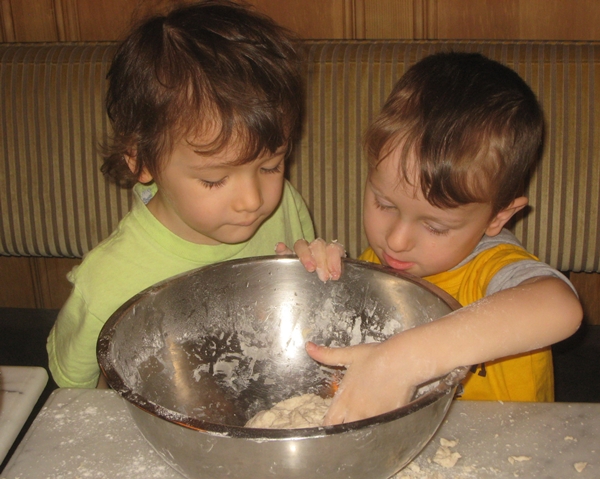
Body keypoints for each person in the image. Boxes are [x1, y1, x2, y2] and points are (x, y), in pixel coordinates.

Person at [47, 0, 324, 389]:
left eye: (270, 166)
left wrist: (323, 269)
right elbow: (73, 392)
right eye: (214, 180)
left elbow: (307, 315)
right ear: (141, 160)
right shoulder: (109, 280)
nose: (253, 200)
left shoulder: (286, 205)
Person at [295, 51, 583, 425]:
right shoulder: (375, 264)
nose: (396, 241)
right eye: (384, 203)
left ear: (498, 216)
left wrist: (403, 360)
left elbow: (559, 308)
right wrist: (313, 278)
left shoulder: (492, 268)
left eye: (435, 227)